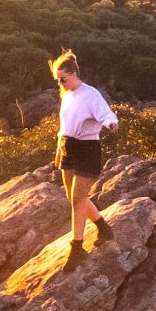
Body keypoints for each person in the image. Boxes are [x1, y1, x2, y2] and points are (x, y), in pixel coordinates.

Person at [49, 49, 118, 261]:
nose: (60, 83)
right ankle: (103, 228)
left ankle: (77, 247)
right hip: (67, 147)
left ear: (74, 73)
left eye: (63, 79)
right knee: (73, 198)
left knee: (78, 199)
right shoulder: (67, 94)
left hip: (87, 149)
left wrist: (110, 123)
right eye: (57, 80)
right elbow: (65, 125)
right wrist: (59, 149)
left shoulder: (91, 94)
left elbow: (106, 114)